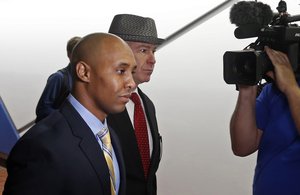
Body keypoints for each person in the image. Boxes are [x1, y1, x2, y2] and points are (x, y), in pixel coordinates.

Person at [3, 32, 137, 195]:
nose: (131, 83)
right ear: (84, 72)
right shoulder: (41, 147)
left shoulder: (110, 137)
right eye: (121, 71)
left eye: (132, 72)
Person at [230, 46, 300, 195]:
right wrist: (247, 87)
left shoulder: (288, 87)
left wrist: (291, 89)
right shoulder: (274, 90)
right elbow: (242, 146)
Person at [107, 14, 163, 195]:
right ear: (117, 52)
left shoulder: (146, 104)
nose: (153, 59)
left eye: (154, 51)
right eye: (144, 50)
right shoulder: (98, 107)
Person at [35, 36, 81, 123]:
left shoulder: (86, 79)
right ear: (69, 54)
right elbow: (42, 110)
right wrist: (66, 117)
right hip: (56, 130)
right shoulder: (58, 78)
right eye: (76, 53)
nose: (80, 56)